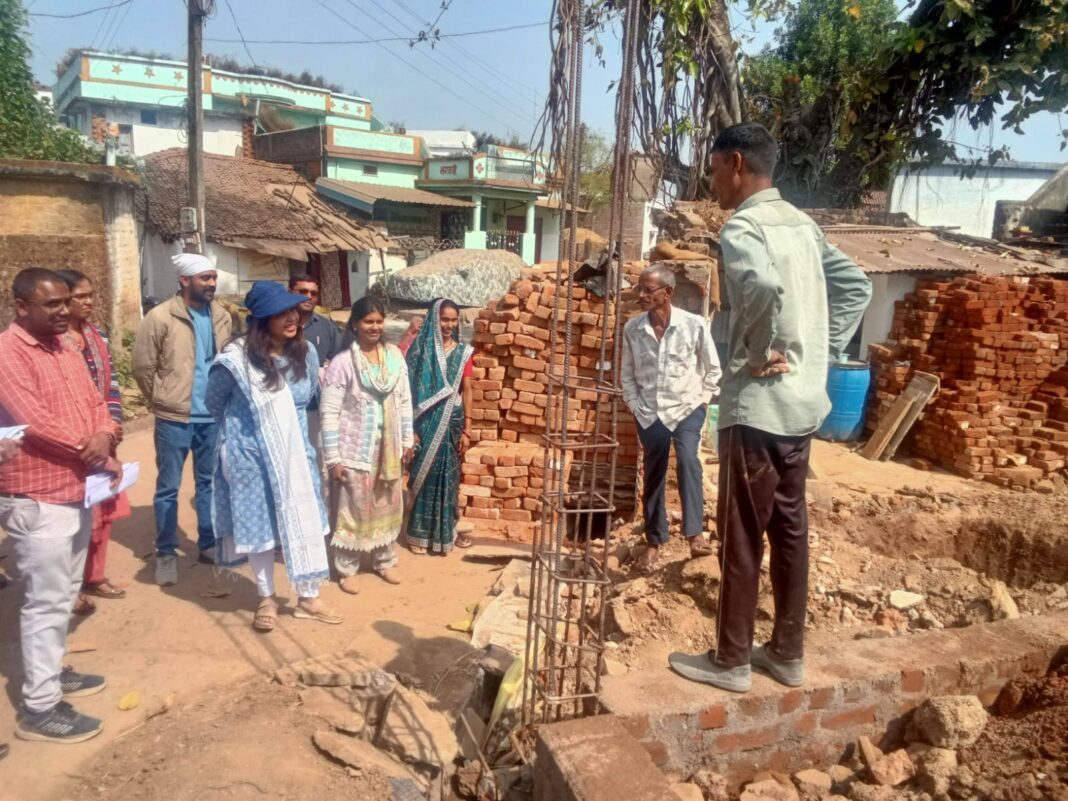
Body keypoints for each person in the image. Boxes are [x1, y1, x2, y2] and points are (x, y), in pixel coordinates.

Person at [669, 123, 872, 693]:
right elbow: (858, 287)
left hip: (757, 410)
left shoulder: (745, 227)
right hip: (802, 408)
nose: (712, 185)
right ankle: (786, 654)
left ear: (736, 164)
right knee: (789, 529)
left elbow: (758, 287)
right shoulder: (804, 226)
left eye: (713, 172)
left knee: (740, 533)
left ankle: (731, 659)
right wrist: (817, 353)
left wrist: (766, 350)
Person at [0, 267, 122, 743]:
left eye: (65, 303)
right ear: (21, 306)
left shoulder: (65, 348)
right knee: (45, 602)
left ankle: (53, 672)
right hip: (37, 496)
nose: (64, 311)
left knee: (64, 593)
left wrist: (105, 434)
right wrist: (87, 447)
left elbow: (96, 402)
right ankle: (40, 708)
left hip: (76, 489)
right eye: (52, 305)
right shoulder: (8, 353)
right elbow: (33, 420)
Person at [205, 281, 342, 631]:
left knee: (305, 514)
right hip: (251, 453)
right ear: (261, 319)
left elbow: (307, 393)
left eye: (293, 310)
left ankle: (308, 597)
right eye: (281, 313)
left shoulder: (307, 353)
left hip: (296, 452)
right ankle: (266, 597)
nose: (292, 317)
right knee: (260, 525)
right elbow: (214, 401)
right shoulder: (236, 358)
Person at [132, 253, 232, 586]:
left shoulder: (222, 316)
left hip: (211, 417)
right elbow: (143, 367)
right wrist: (163, 398)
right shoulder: (160, 317)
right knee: (168, 488)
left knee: (208, 484)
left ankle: (206, 544)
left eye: (213, 277)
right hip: (175, 417)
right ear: (185, 280)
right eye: (205, 278)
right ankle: (165, 553)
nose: (212, 284)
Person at [621, 264, 722, 574]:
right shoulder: (633, 329)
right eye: (639, 289)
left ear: (667, 293)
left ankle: (694, 534)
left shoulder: (694, 326)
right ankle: (653, 543)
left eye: (647, 290)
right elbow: (627, 375)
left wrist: (701, 401)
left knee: (689, 459)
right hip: (650, 412)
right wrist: (635, 406)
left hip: (687, 407)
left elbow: (713, 370)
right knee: (654, 473)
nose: (641, 295)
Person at [321, 297, 414, 594]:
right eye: (368, 321)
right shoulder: (343, 363)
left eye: (378, 321)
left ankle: (384, 559)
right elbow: (329, 413)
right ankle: (347, 567)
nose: (374, 327)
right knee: (354, 507)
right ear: (355, 325)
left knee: (388, 502)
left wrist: (406, 439)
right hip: (355, 450)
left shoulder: (395, 358)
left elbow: (404, 401)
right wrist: (333, 458)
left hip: (388, 451)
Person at [55, 270, 131, 615]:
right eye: (79, 297)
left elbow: (110, 384)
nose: (88, 302)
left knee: (103, 509)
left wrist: (112, 422)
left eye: (90, 295)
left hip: (103, 437)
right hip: (70, 443)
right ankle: (66, 589)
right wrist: (85, 436)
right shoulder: (54, 343)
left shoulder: (96, 335)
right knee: (72, 516)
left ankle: (94, 576)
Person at [405, 299, 474, 555]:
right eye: (444, 319)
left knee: (448, 477)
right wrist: (408, 427)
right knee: (422, 475)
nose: (448, 325)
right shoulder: (421, 351)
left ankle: (445, 533)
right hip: (424, 423)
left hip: (452, 422)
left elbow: (467, 391)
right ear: (435, 320)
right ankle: (418, 533)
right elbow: (409, 389)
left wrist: (468, 429)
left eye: (453, 320)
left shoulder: (463, 352)